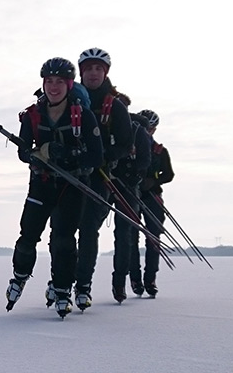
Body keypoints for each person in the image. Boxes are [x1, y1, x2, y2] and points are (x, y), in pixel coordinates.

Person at [5, 57, 104, 318]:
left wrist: (67, 156)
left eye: (60, 81)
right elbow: (23, 152)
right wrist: (36, 155)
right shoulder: (31, 116)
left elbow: (96, 156)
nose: (54, 87)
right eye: (49, 81)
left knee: (63, 240)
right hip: (41, 184)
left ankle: (62, 289)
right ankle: (19, 275)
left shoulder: (83, 116)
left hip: (72, 186)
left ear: (69, 84)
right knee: (28, 236)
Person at [63, 47, 133, 310]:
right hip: (70, 174)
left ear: (105, 73)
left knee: (88, 230)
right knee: (63, 229)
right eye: (89, 69)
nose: (93, 73)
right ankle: (61, 281)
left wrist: (103, 156)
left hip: (100, 178)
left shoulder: (114, 105)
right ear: (81, 72)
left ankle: (83, 285)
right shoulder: (67, 99)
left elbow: (126, 144)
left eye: (98, 69)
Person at [108, 105, 152, 303]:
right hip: (106, 182)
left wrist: (135, 177)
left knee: (125, 235)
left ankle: (121, 283)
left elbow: (144, 161)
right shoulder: (108, 124)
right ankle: (119, 284)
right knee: (89, 230)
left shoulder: (137, 131)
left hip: (128, 187)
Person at [129, 109, 175, 297]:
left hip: (152, 196)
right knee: (131, 238)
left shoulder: (160, 151)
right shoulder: (130, 148)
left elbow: (169, 175)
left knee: (154, 239)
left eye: (150, 128)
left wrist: (154, 181)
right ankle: (135, 278)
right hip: (132, 194)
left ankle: (150, 279)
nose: (147, 131)